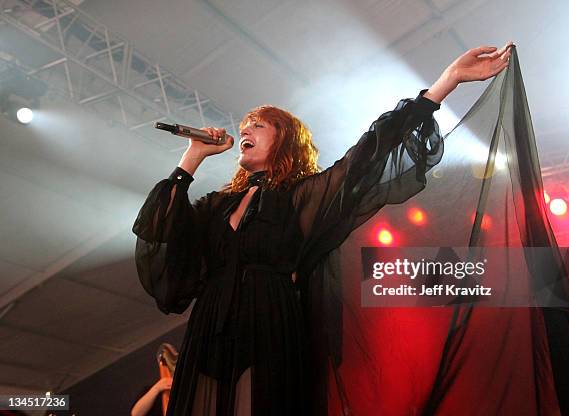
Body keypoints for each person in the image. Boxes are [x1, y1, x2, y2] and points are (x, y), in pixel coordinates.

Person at [133, 43, 515, 415]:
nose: (245, 129)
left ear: (284, 140)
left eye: (258, 124)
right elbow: (162, 232)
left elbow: (366, 158)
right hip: (211, 326)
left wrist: (445, 82)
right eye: (244, 125)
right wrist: (192, 157)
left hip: (269, 323)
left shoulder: (300, 196)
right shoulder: (216, 206)